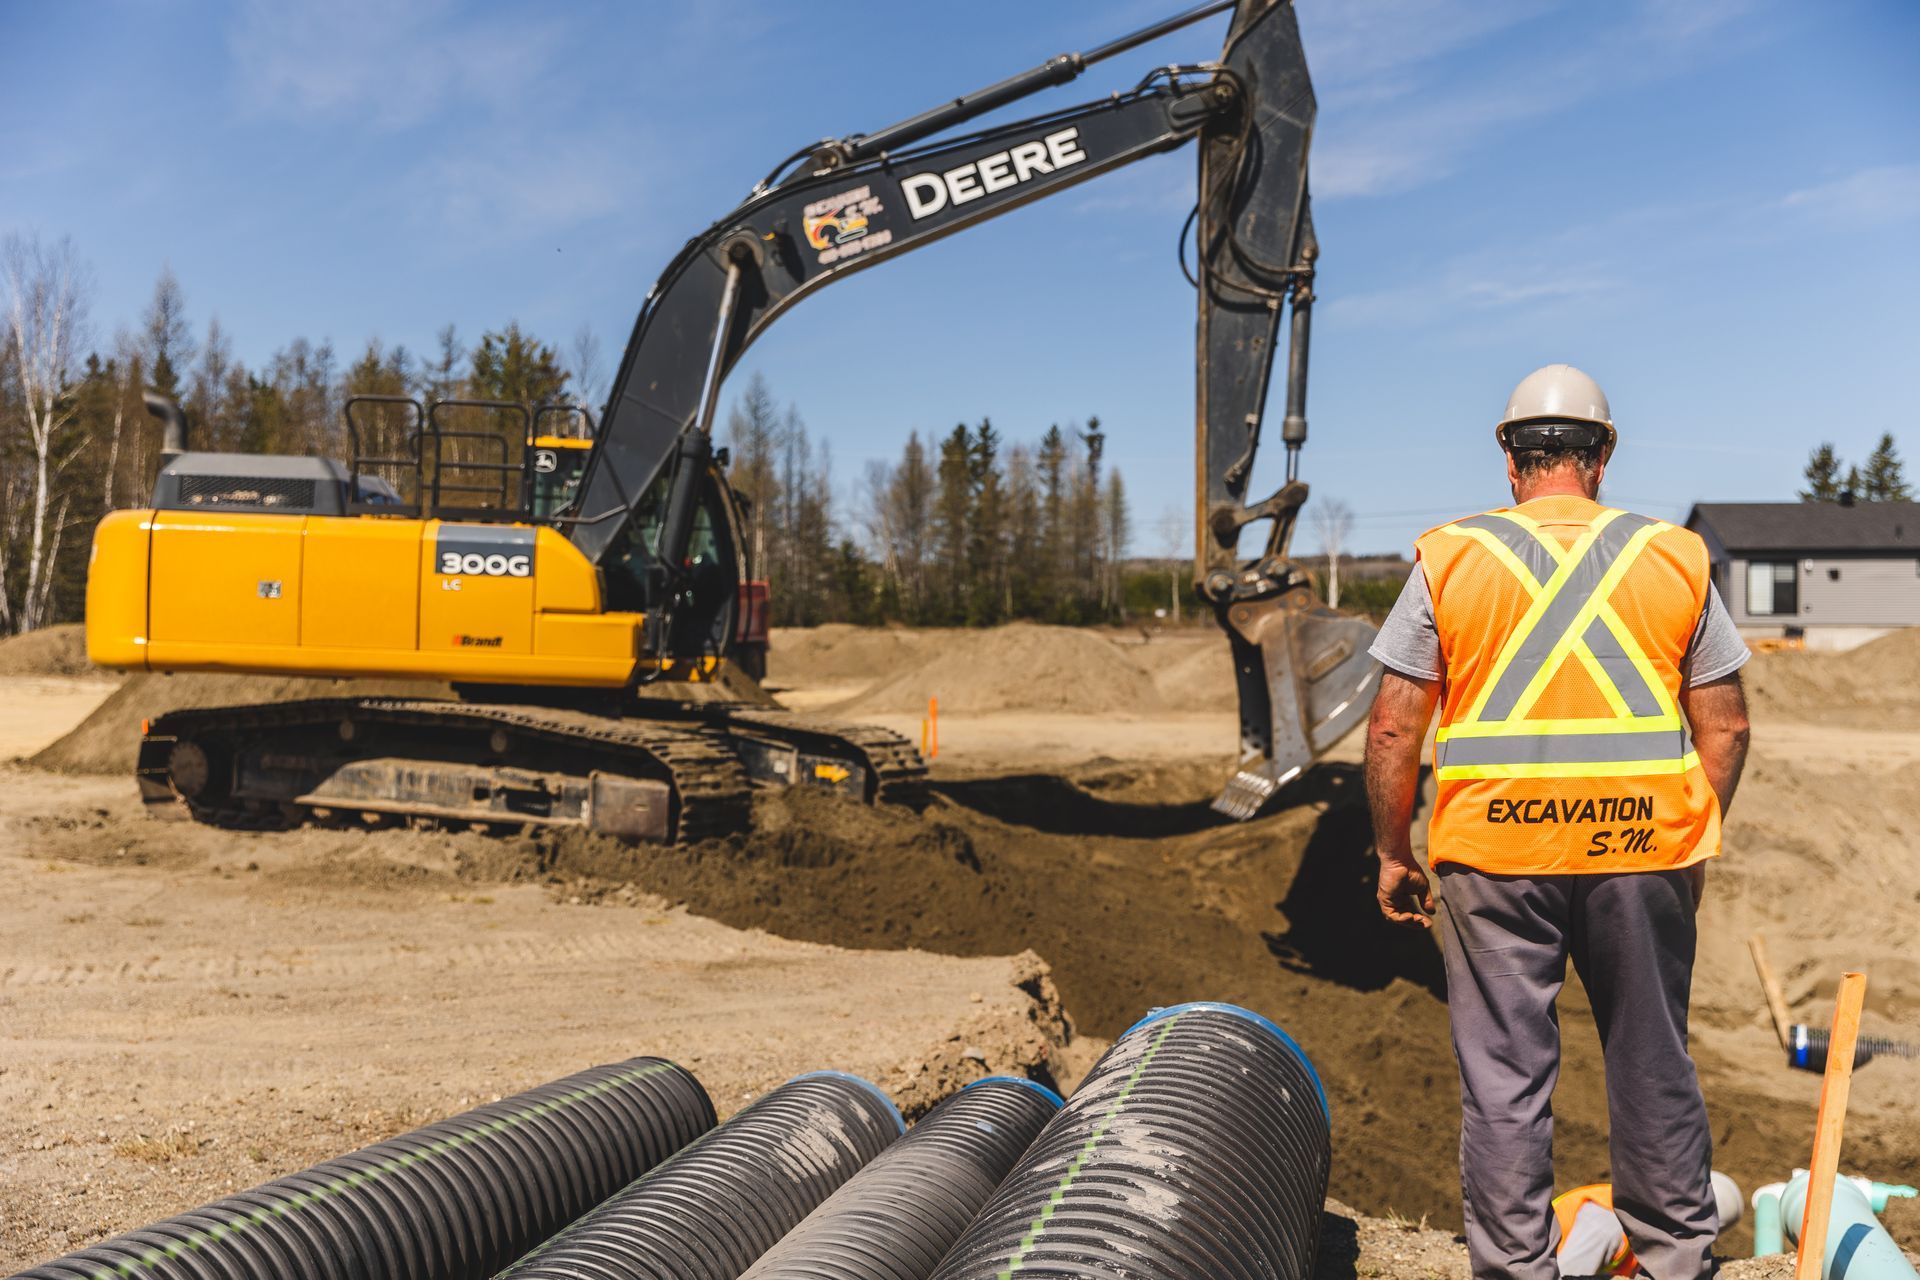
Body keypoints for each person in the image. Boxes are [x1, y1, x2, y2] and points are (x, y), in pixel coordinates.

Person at [1361, 364, 1753, 1280]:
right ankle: (1673, 1262)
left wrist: (1392, 852)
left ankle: (1517, 1270)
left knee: (1505, 1084)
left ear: (1509, 458)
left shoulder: (1452, 558)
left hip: (1493, 858)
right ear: (1604, 455)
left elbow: (1391, 724)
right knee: (1654, 1063)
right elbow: (1726, 725)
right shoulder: (1673, 557)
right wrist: (1692, 835)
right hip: (1644, 850)